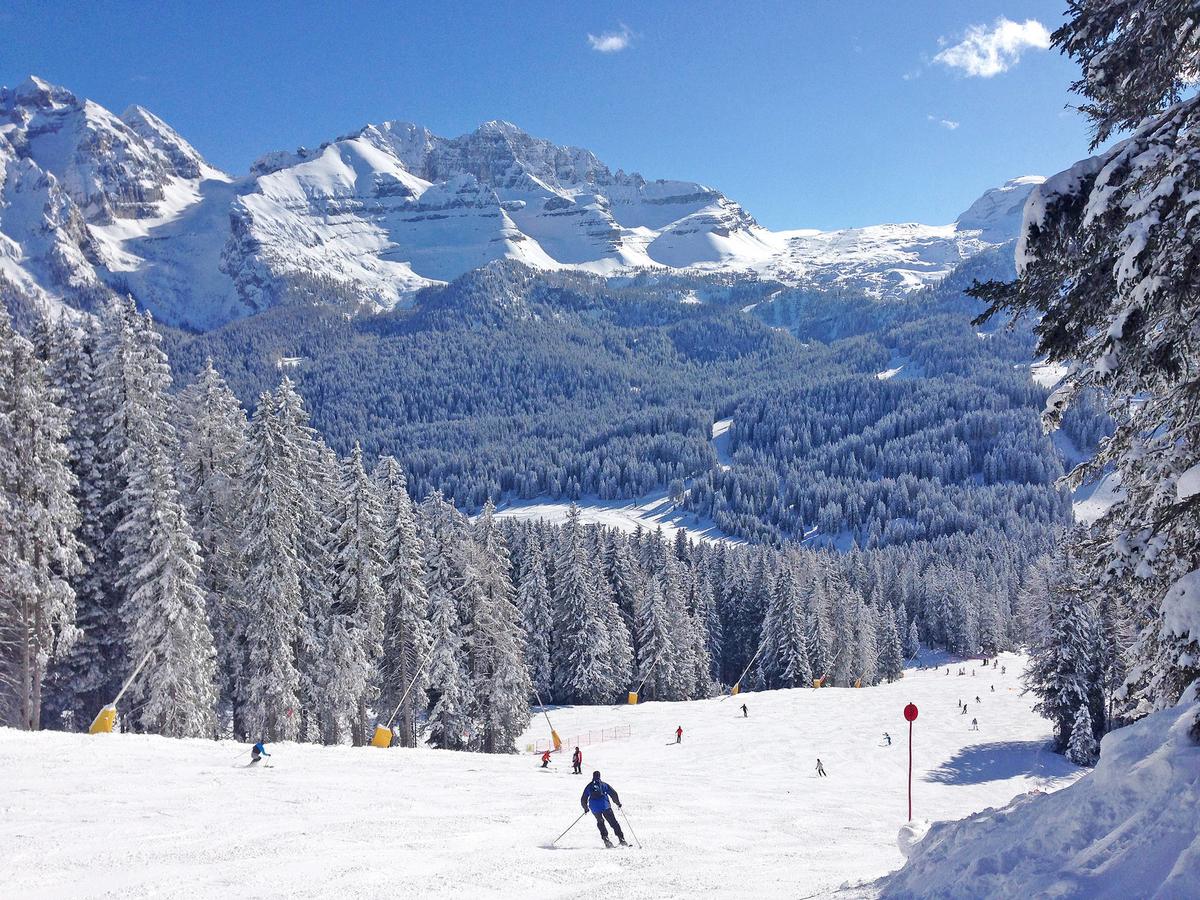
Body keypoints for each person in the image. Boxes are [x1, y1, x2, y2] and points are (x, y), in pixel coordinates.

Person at [580, 770, 628, 848]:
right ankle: (621, 839)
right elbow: (613, 794)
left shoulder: (589, 786)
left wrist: (585, 808)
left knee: (600, 822)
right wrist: (618, 803)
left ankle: (606, 839)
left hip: (594, 808)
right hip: (605, 806)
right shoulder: (603, 785)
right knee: (613, 822)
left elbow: (583, 798)